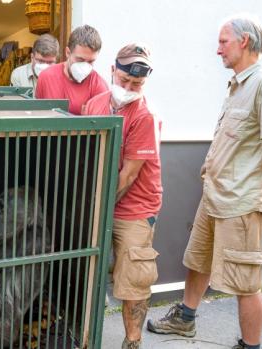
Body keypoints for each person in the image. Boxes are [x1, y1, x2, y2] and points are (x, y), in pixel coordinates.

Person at [147, 14, 262, 349]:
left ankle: (250, 345)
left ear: (244, 41)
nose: (218, 50)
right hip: (215, 196)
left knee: (246, 283)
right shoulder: (238, 85)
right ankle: (185, 319)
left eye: (223, 42)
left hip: (242, 203)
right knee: (197, 261)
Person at [83, 44, 161, 349]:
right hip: (100, 201)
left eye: (137, 85)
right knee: (87, 272)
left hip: (135, 207)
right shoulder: (95, 105)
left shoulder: (145, 115)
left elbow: (128, 175)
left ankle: (132, 341)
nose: (129, 89)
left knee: (133, 277)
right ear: (112, 70)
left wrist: (96, 209)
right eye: (124, 80)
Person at [35, 25, 108, 115]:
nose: (85, 66)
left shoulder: (99, 86)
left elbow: (101, 127)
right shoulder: (46, 77)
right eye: (80, 60)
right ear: (68, 53)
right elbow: (38, 116)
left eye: (90, 61)